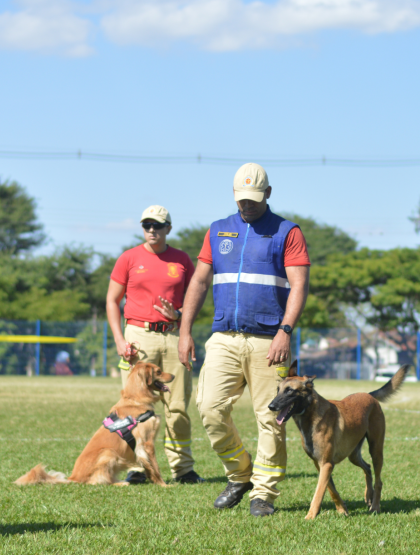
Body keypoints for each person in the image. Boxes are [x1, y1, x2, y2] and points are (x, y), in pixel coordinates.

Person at [178, 163, 310, 517]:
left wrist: (285, 330)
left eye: (254, 199)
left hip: (270, 339)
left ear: (268, 193)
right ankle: (239, 474)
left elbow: (299, 285)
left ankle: (263, 494)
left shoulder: (287, 231)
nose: (247, 205)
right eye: (241, 199)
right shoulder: (218, 230)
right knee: (208, 406)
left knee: (271, 419)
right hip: (223, 336)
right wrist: (185, 330)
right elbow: (200, 282)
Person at [106, 205, 205, 484]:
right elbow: (112, 301)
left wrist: (181, 315)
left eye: (158, 225)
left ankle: (182, 468)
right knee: (135, 405)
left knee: (178, 405)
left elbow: (196, 298)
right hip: (140, 336)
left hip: (174, 335)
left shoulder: (182, 260)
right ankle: (138, 468)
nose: (152, 230)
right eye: (147, 225)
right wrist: (119, 339)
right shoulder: (128, 258)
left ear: (168, 229)